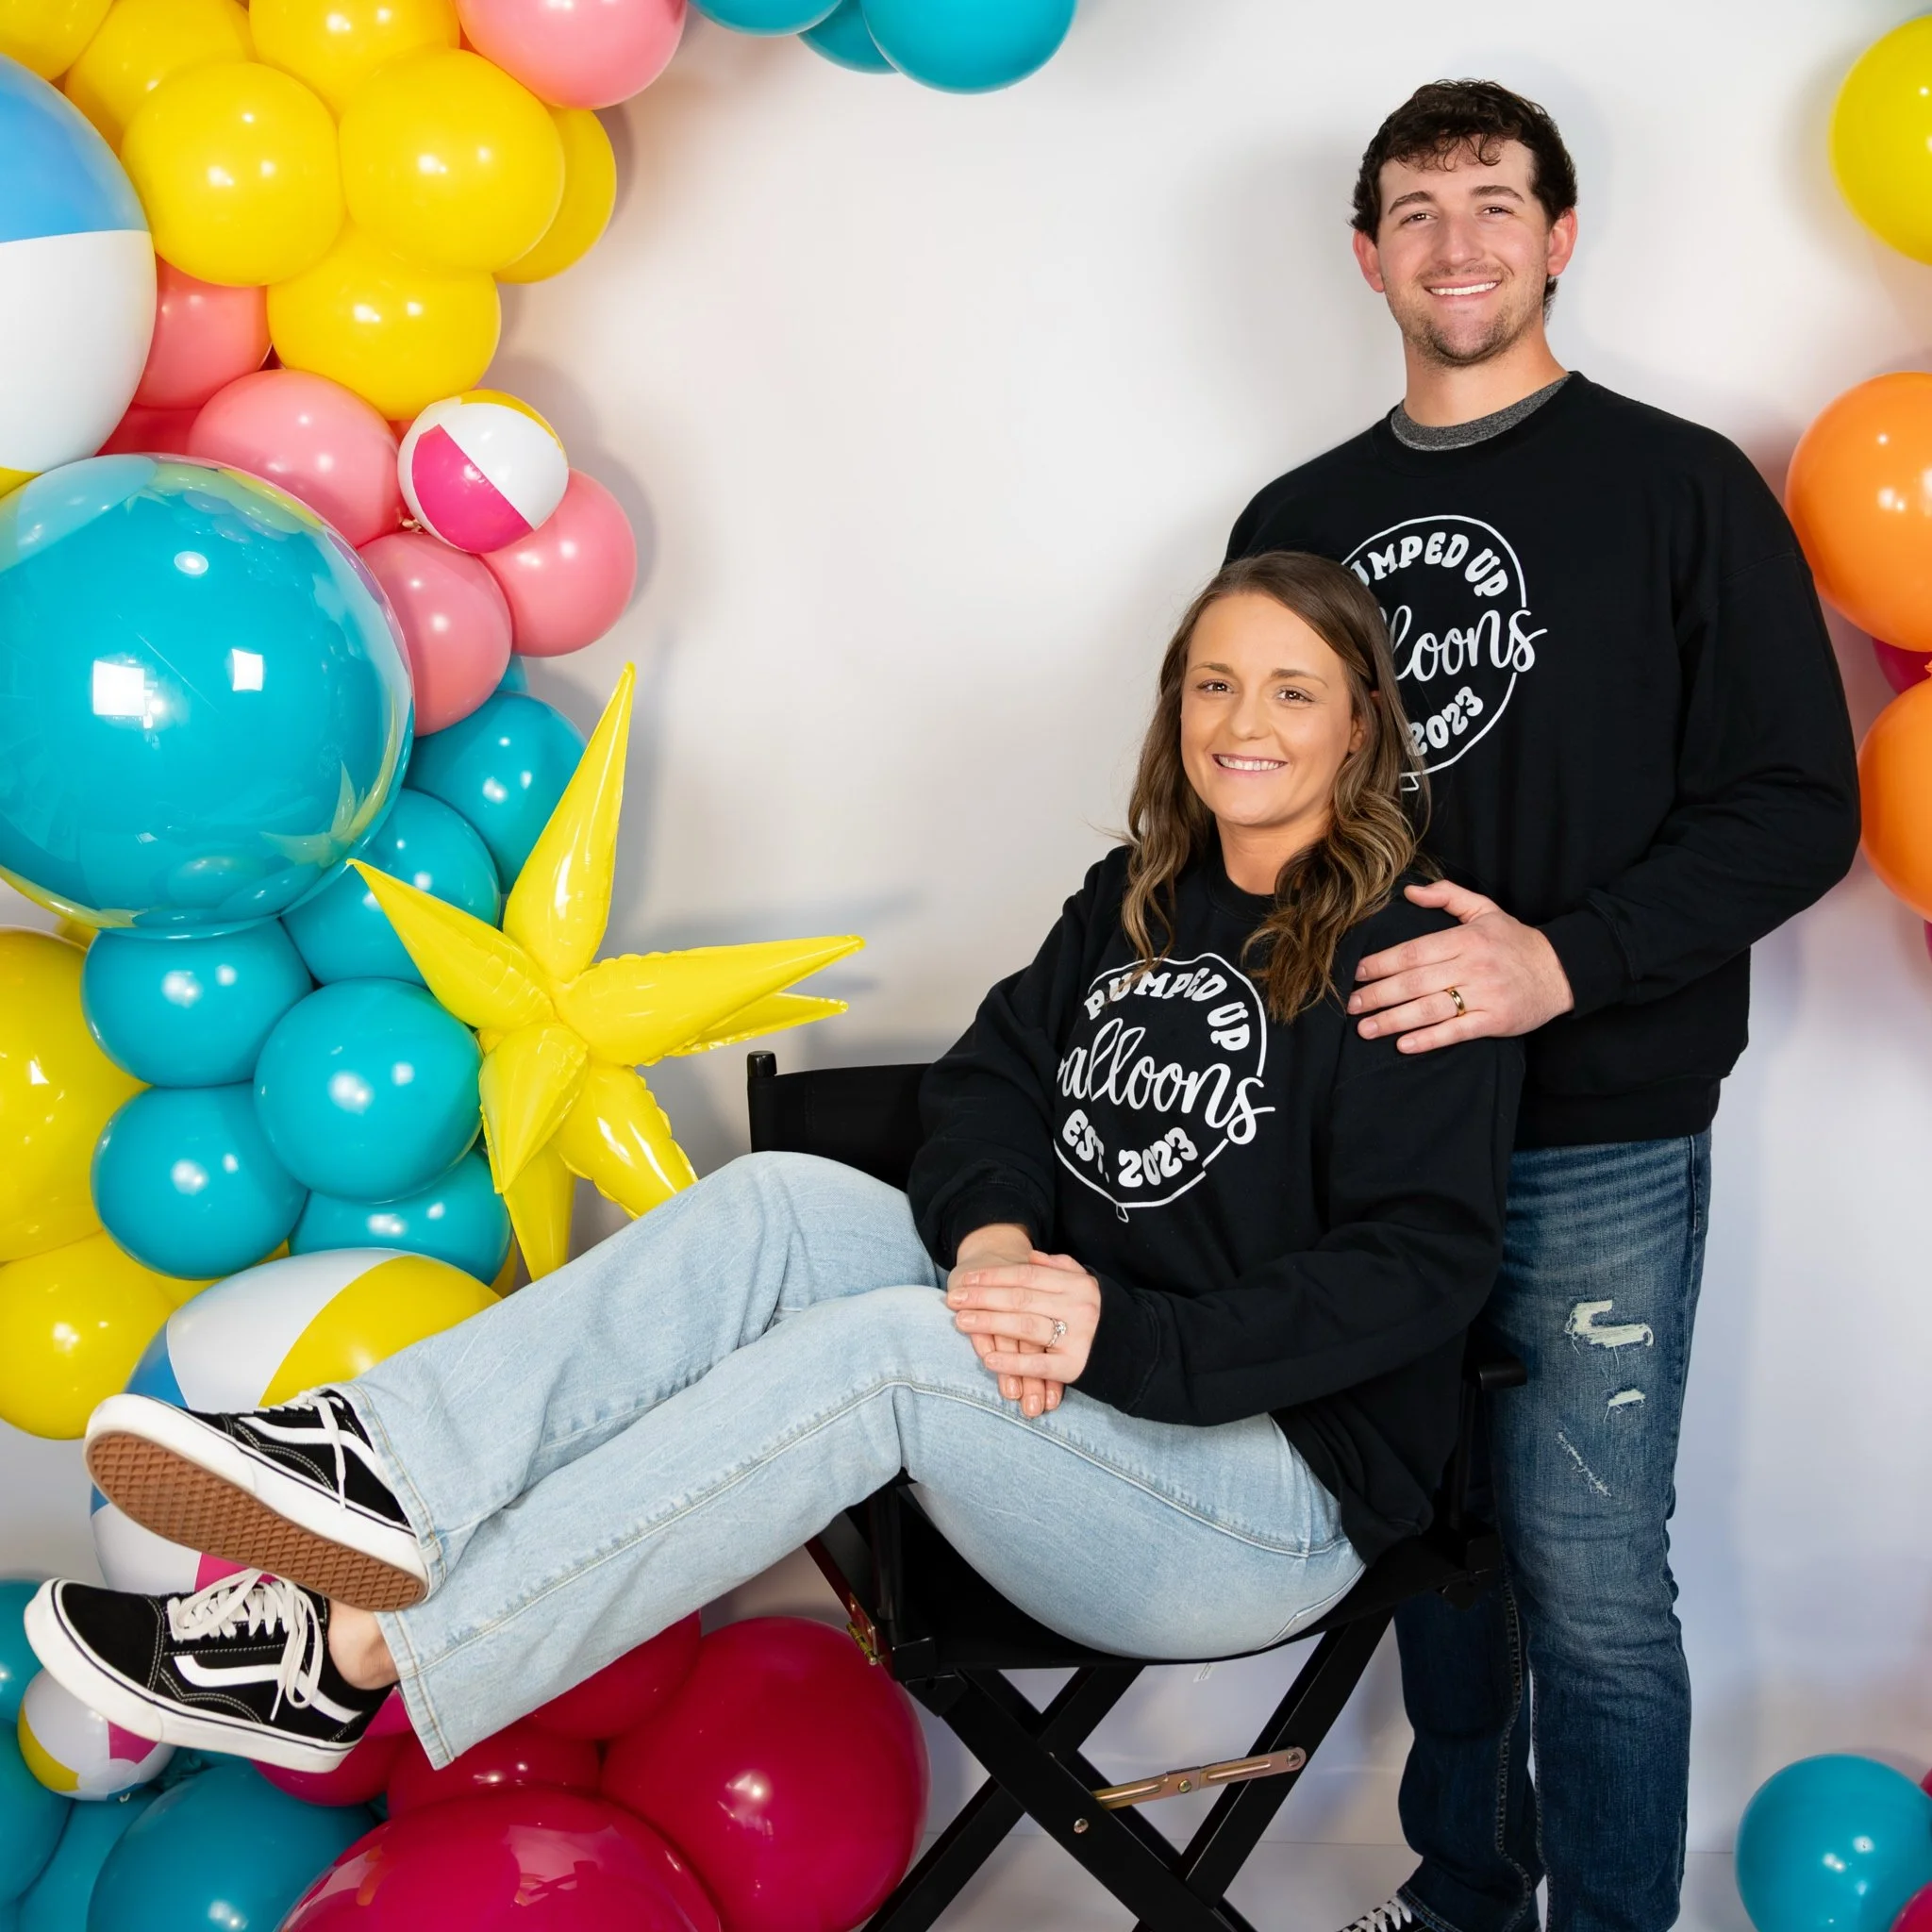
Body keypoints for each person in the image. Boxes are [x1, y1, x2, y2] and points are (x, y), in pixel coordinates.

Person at [28, 551, 1521, 1780]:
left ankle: (349, 1655)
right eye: (1214, 682)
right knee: (777, 1206)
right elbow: (991, 1083)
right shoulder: (1137, 899)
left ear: (1359, 727)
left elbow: (1419, 1270)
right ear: (1175, 710)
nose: (1242, 721)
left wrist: (1122, 1333)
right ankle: (377, 1464)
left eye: (1290, 690)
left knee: (887, 1348)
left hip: (1259, 1506)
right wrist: (997, 1245)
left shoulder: (1416, 963)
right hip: (1068, 1407)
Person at [1224, 81, 1861, 1932]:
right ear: (1365, 257)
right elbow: (1236, 820)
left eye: (1494, 203)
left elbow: (1793, 803)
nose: (1456, 243)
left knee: (1588, 1570)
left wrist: (1555, 962)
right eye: (1414, 211)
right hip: (1369, 1144)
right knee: (1439, 1559)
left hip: (1598, 1126)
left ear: (1559, 235)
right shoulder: (1297, 517)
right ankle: (1460, 1900)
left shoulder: (1676, 489)